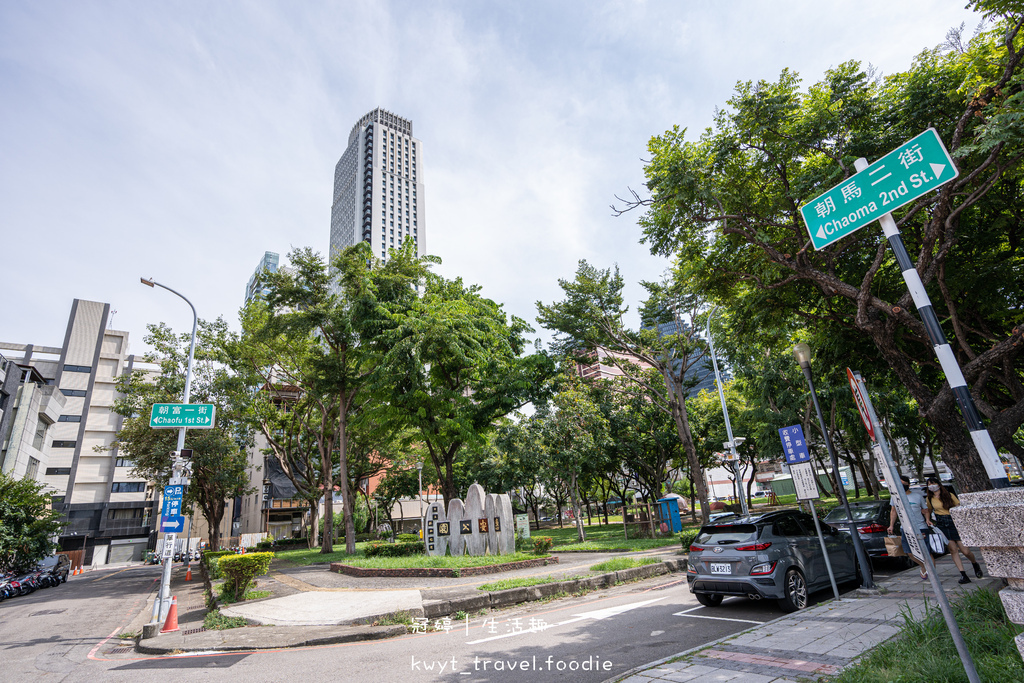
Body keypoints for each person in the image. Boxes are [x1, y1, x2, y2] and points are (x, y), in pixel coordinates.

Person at [926, 477, 983, 584]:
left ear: (938, 484)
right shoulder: (929, 498)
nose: (931, 486)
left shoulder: (949, 495)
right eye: (929, 484)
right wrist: (928, 520)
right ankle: (963, 574)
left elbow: (958, 507)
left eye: (933, 483)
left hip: (954, 522)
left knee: (965, 551)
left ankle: (975, 563)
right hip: (942, 524)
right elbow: (929, 510)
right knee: (953, 549)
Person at [888, 475, 931, 580]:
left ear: (908, 484)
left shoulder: (917, 496)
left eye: (903, 484)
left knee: (926, 552)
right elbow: (893, 511)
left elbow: (925, 510)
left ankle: (931, 573)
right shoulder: (895, 497)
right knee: (909, 551)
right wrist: (891, 525)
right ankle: (923, 565)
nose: (901, 486)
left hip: (920, 527)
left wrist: (927, 519)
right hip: (905, 529)